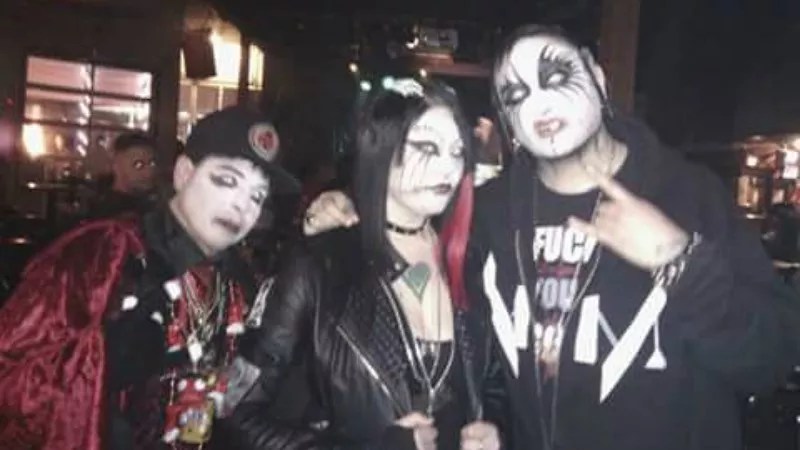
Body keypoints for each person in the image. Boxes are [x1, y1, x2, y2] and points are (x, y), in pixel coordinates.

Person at [302, 25, 800, 450]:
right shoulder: (489, 216)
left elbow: (773, 359)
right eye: (516, 95)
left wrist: (678, 261)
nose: (538, 100)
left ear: (598, 78)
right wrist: (351, 210)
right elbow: (419, 247)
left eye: (556, 76)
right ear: (509, 123)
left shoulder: (689, 195)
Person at [227, 79, 505, 450]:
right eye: (427, 147)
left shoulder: (470, 260)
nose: (448, 168)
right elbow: (236, 410)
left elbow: (496, 381)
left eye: (458, 151)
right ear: (380, 147)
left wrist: (498, 428)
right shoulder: (320, 263)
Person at [0, 106, 300, 450]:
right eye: (227, 181)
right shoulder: (102, 254)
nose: (241, 206)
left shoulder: (239, 283)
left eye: (257, 196)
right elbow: (9, 381)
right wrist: (104, 357)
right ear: (184, 174)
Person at [88, 132, 159, 219]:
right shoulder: (110, 214)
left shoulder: (152, 204)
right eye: (138, 165)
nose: (149, 172)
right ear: (116, 166)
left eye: (152, 164)